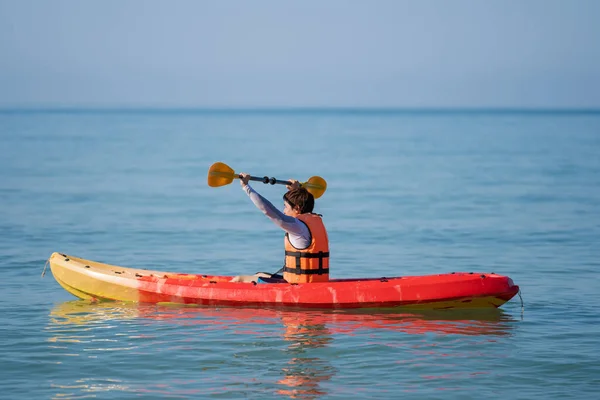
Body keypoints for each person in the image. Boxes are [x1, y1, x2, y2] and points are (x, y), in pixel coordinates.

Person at [230, 173, 329, 284]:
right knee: (259, 275)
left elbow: (269, 210)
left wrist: (246, 186)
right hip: (315, 282)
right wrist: (296, 190)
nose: (284, 211)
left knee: (240, 279)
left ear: (297, 208)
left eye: (285, 207)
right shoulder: (313, 222)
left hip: (298, 287)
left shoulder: (297, 227)